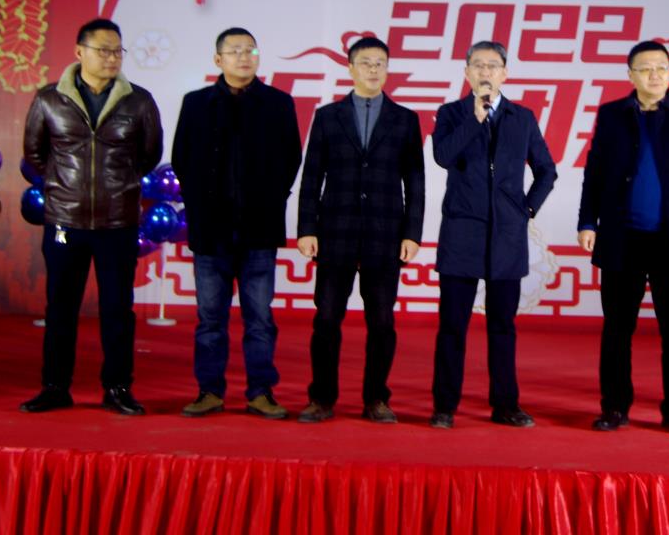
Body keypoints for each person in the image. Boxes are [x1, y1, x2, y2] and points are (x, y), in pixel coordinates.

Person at [20, 18, 163, 416]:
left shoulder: (138, 101)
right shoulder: (49, 99)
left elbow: (149, 155)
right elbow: (35, 154)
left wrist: (118, 185)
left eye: (118, 50)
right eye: (103, 50)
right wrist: (65, 187)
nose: (112, 58)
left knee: (117, 309)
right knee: (60, 306)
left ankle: (117, 388)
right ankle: (54, 387)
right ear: (79, 52)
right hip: (64, 222)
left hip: (118, 222)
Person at [577, 40, 669, 435]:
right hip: (622, 238)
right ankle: (614, 407)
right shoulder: (612, 115)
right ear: (631, 75)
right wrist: (588, 221)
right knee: (617, 329)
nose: (655, 75)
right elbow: (595, 172)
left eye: (662, 67)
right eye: (645, 68)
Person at [172, 27, 301, 420]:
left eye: (251, 50)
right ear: (218, 60)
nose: (244, 57)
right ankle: (209, 391)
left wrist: (269, 201)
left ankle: (261, 392)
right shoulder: (197, 103)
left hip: (258, 230)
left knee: (259, 318)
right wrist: (201, 207)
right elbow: (182, 159)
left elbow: (291, 159)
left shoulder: (278, 103)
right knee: (210, 319)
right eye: (235, 51)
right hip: (211, 231)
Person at [296, 36, 425, 424]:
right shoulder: (327, 116)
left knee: (382, 322)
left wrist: (412, 233)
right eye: (366, 62)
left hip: (385, 235)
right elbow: (312, 176)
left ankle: (376, 398)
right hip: (335, 231)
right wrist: (307, 228)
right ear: (350, 67)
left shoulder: (405, 119)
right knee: (326, 319)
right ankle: (322, 398)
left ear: (387, 69)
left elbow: (415, 181)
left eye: (380, 63)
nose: (373, 69)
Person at [429, 41, 557, 429]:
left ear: (505, 73)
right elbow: (443, 157)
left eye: (493, 65)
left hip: (507, 237)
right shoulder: (451, 114)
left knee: (502, 326)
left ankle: (505, 405)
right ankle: (444, 406)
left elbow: (546, 170)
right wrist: (475, 118)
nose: (485, 72)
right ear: (467, 72)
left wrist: (526, 210)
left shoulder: (523, 117)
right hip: (461, 233)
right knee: (452, 326)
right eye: (478, 65)